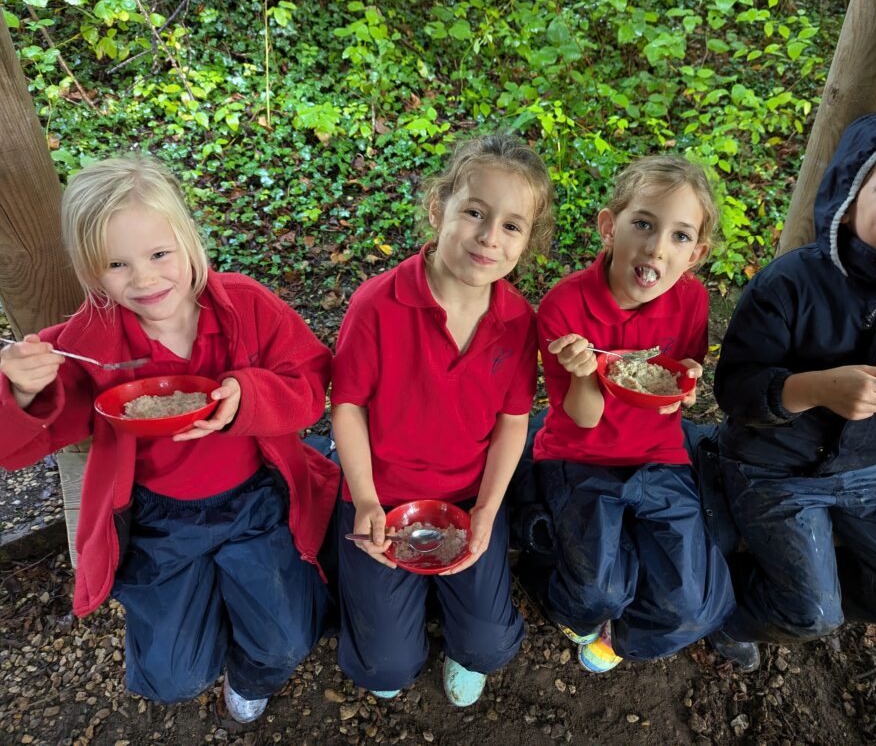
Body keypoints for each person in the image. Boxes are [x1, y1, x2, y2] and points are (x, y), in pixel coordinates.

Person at [0, 156, 338, 722]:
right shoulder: (86, 344)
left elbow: (310, 384)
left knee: (284, 641)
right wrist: (21, 390)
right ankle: (200, 625)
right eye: (117, 264)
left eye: (159, 254)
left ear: (188, 241)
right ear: (89, 269)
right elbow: (15, 449)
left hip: (256, 501)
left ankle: (252, 673)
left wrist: (248, 397)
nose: (145, 279)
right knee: (173, 679)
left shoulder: (247, 308)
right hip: (160, 519)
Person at [711, 111, 876, 670]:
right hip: (772, 467)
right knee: (813, 617)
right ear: (849, 201)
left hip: (869, 473)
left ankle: (807, 579)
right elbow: (734, 390)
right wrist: (815, 389)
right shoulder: (790, 283)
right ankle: (728, 611)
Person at [330, 134, 555, 706]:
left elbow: (512, 422)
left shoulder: (516, 320)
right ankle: (391, 621)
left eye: (512, 226)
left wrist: (486, 510)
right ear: (439, 210)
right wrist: (363, 498)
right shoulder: (377, 304)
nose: (489, 236)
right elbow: (348, 406)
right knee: (385, 666)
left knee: (485, 645)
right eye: (475, 213)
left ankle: (461, 632)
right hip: (379, 493)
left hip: (465, 496)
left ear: (527, 241)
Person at [531, 155, 745, 673]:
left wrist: (687, 382)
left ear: (696, 254)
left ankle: (620, 638)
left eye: (678, 236)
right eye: (644, 224)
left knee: (691, 606)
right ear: (610, 226)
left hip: (659, 452)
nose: (655, 247)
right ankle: (551, 575)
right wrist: (585, 372)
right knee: (597, 592)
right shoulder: (564, 306)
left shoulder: (690, 299)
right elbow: (582, 418)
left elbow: (678, 375)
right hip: (578, 454)